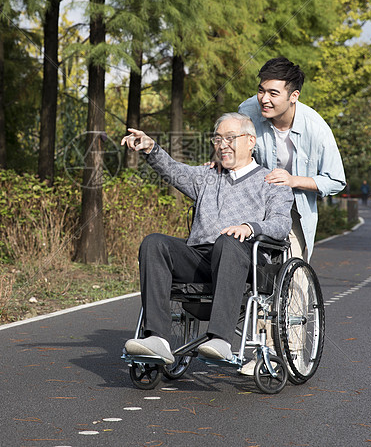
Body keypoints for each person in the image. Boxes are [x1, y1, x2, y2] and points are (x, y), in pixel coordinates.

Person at [121, 113, 294, 365]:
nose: (222, 145)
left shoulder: (272, 181)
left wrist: (249, 227)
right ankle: (157, 338)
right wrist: (150, 148)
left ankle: (221, 340)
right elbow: (173, 170)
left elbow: (281, 224)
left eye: (230, 138)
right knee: (154, 242)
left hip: (247, 264)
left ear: (250, 141)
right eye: (217, 139)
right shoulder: (207, 176)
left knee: (228, 240)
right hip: (201, 259)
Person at [238, 56, 347, 262]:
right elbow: (236, 152)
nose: (264, 99)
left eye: (273, 93)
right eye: (261, 90)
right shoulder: (248, 112)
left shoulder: (317, 129)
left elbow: (336, 180)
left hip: (294, 208)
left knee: (291, 265)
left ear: (294, 96)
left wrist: (293, 180)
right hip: (254, 202)